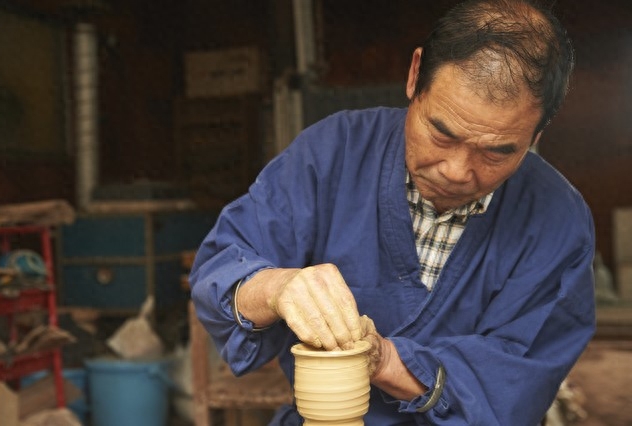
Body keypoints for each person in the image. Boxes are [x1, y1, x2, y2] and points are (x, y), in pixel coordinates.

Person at [189, 0, 596, 424]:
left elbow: (516, 384)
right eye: (442, 132)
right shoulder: (333, 153)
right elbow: (220, 269)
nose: (456, 172)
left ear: (538, 131)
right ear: (415, 75)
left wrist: (384, 361)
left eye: (497, 151)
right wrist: (276, 287)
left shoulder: (557, 221)